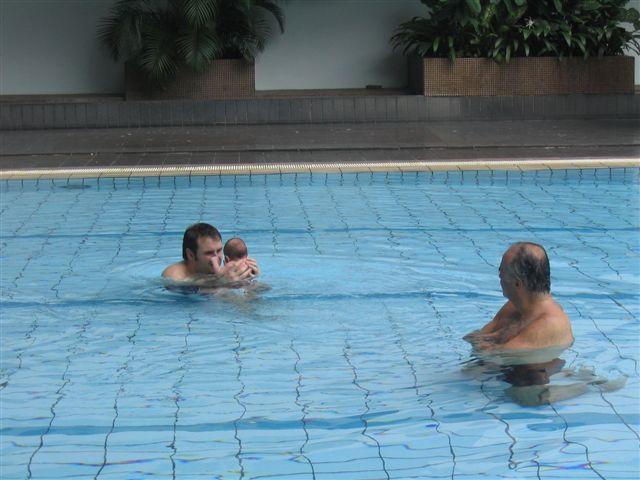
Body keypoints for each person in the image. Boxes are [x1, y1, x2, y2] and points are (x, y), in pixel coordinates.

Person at [464, 242, 574, 351]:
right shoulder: (514, 306)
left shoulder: (550, 325)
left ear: (517, 284)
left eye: (501, 274)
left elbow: (498, 354)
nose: (500, 279)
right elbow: (477, 337)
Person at [162, 223, 259, 284]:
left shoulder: (212, 269)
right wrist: (222, 282)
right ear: (191, 255)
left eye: (219, 250)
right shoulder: (174, 276)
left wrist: (250, 277)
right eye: (209, 253)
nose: (217, 258)